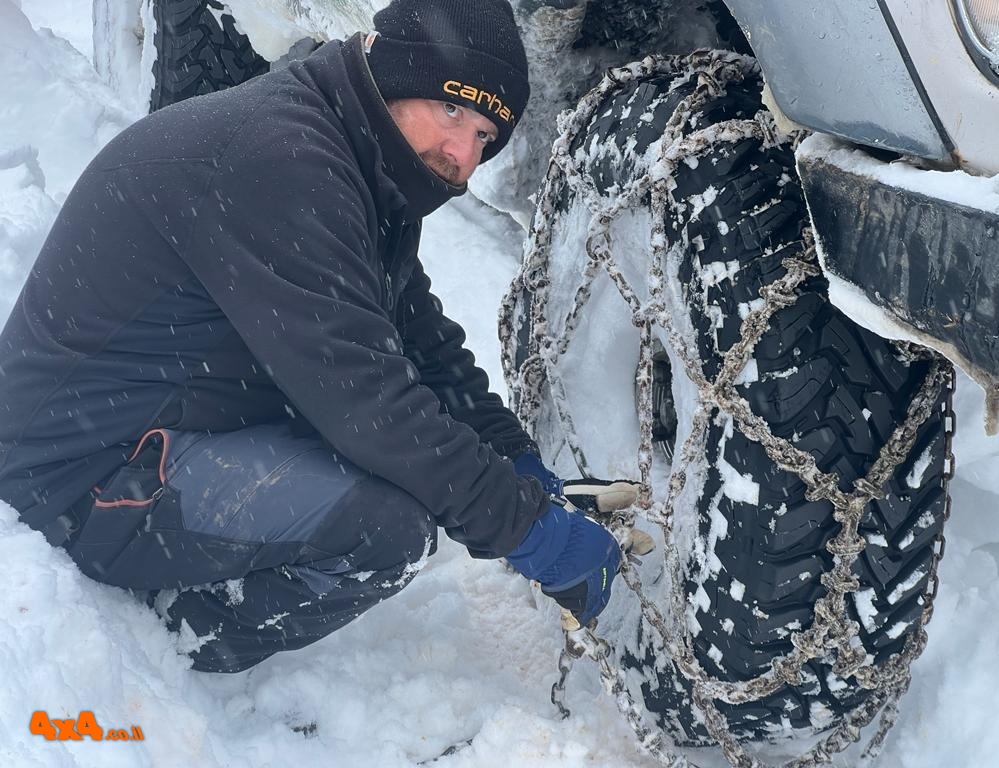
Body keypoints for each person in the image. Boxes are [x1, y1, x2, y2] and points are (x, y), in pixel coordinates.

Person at [0, 0, 633, 673]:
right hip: (74, 476)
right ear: (397, 75)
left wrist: (515, 464)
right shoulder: (283, 162)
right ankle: (173, 640)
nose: (461, 157)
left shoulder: (354, 153)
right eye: (453, 112)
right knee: (386, 532)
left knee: (402, 463)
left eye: (484, 136)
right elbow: (373, 406)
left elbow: (415, 338)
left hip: (162, 422)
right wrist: (532, 534)